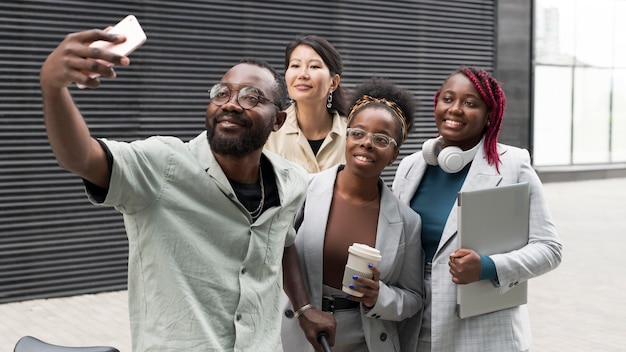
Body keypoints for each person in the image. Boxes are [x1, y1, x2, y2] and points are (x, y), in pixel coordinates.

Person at [38, 28, 327, 351]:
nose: (231, 104)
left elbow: (282, 241)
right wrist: (53, 88)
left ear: (278, 120)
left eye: (251, 97)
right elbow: (81, 157)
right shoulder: (162, 165)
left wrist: (303, 309)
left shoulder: (292, 182)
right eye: (221, 93)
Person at [392, 66, 563, 352]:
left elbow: (549, 248)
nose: (455, 109)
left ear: (488, 116)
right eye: (448, 99)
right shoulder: (411, 166)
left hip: (483, 332)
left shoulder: (513, 165)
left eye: (470, 103)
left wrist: (489, 266)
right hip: (414, 326)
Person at [281, 76, 424, 352]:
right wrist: (305, 309)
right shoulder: (303, 191)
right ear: (346, 137)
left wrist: (379, 296)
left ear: (394, 153)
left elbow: (413, 298)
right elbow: (274, 255)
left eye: (381, 139)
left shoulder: (407, 222)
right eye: (358, 133)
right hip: (299, 330)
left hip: (366, 339)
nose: (367, 143)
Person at [265, 34, 348, 173]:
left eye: (314, 66)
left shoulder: (352, 134)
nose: (302, 74)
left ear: (333, 82)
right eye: (295, 65)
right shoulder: (269, 131)